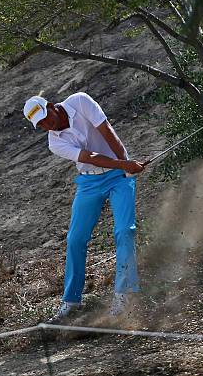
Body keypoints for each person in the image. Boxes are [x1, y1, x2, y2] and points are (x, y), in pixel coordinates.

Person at [22, 92, 145, 323]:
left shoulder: (80, 101)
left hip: (119, 176)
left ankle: (124, 296)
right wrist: (124, 163)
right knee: (75, 239)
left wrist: (125, 165)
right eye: (41, 125)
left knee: (125, 231)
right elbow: (89, 156)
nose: (47, 125)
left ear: (50, 106)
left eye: (46, 118)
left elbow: (107, 131)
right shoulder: (54, 142)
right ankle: (71, 302)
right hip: (89, 181)